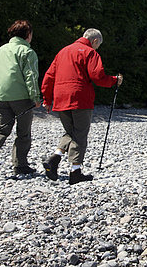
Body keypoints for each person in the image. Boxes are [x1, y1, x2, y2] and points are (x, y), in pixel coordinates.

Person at [40, 28, 123, 185]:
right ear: (95, 41)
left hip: (60, 97)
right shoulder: (90, 52)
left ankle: (54, 158)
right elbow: (97, 76)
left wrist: (47, 98)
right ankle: (75, 172)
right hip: (79, 98)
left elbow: (49, 76)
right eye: (98, 45)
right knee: (80, 134)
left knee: (70, 131)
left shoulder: (62, 51)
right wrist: (113, 80)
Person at [0, 20, 41, 179]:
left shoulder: (0, 51)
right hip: (21, 98)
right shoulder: (27, 52)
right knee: (23, 132)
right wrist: (36, 97)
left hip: (1, 96)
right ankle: (20, 165)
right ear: (28, 34)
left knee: (1, 129)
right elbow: (31, 77)